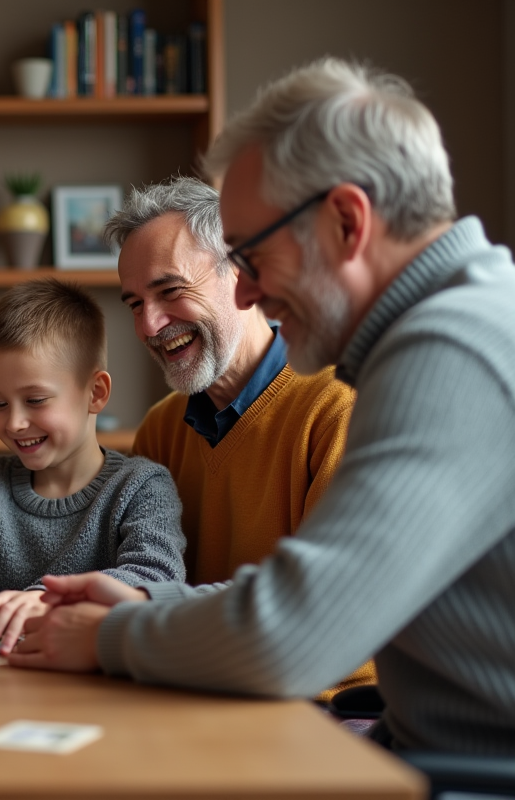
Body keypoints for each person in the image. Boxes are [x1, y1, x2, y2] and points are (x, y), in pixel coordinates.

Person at [10, 58, 515, 755]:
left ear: (346, 221)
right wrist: (148, 604)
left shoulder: (457, 347)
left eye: (255, 254)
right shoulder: (466, 324)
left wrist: (109, 636)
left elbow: (297, 635)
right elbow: (300, 592)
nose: (248, 294)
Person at [105, 177, 370, 701]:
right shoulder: (161, 429)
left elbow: (323, 614)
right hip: (203, 684)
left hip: (328, 706)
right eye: (134, 303)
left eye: (170, 291)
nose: (150, 325)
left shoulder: (338, 405)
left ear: (242, 276)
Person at [0, 279, 186, 654]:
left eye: (36, 400)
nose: (14, 423)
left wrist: (51, 600)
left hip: (98, 676)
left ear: (96, 393)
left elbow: (154, 577)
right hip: (3, 677)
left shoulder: (143, 486)